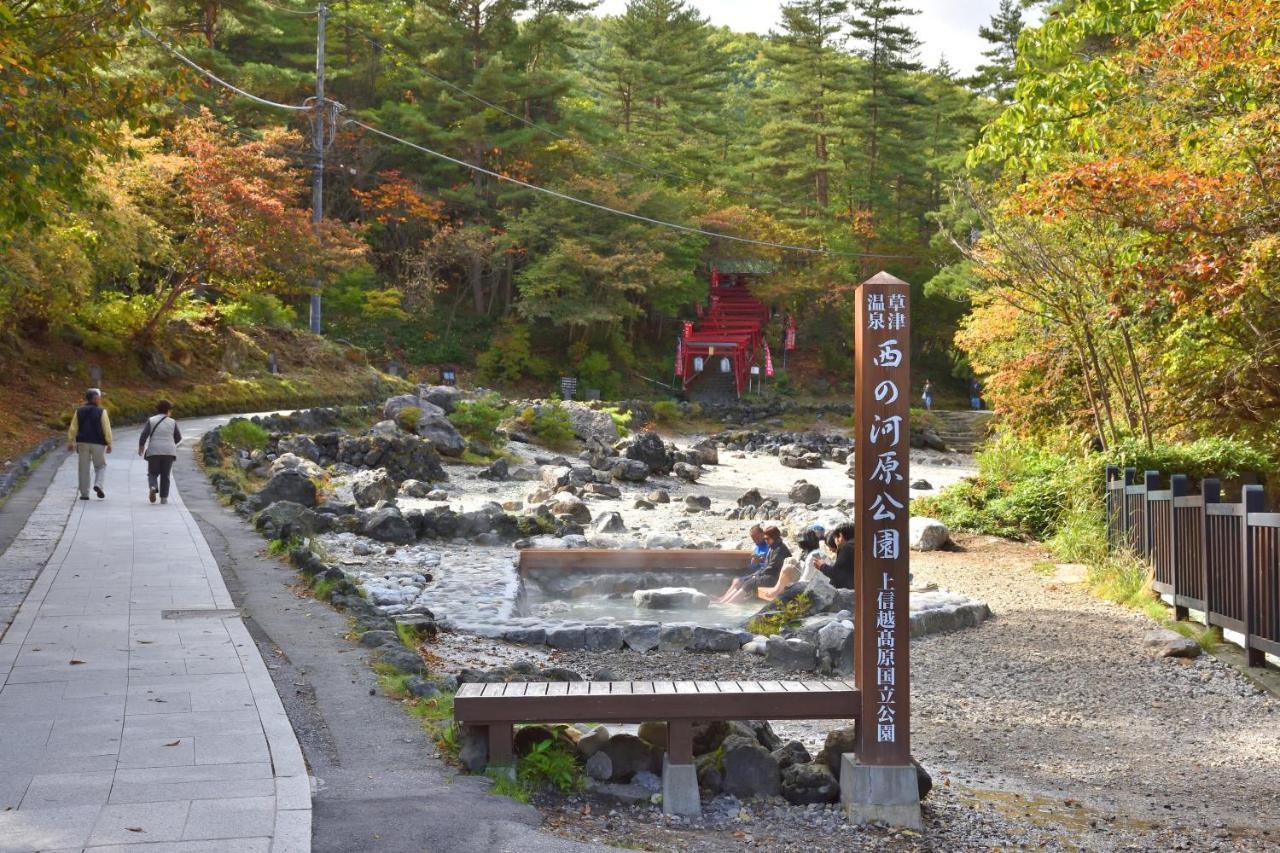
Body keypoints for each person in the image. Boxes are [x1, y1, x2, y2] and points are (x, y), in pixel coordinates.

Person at [717, 526, 790, 605]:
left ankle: (729, 604)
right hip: (768, 574)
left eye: (767, 539)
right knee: (744, 581)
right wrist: (756, 573)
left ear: (773, 537)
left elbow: (772, 568)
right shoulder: (774, 547)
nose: (766, 541)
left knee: (748, 583)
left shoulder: (779, 549)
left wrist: (757, 574)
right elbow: (768, 565)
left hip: (774, 578)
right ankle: (724, 602)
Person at [67, 388, 112, 500]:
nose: (100, 400)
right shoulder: (102, 411)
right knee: (100, 466)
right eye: (99, 398)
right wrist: (109, 442)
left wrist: (70, 441)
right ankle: (98, 484)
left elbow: (73, 427)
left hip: (82, 442)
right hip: (98, 443)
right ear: (95, 399)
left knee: (83, 468)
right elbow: (106, 428)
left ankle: (84, 494)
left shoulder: (79, 411)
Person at [138, 400, 182, 505]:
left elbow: (144, 435)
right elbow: (178, 437)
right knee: (165, 475)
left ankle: (153, 486)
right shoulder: (173, 422)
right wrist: (170, 443)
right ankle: (164, 498)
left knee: (152, 473)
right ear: (168, 410)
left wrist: (141, 447)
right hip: (169, 452)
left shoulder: (151, 420)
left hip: (154, 451)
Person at [819, 523, 856, 590]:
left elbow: (838, 574)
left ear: (840, 535)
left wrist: (822, 566)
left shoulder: (847, 548)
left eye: (835, 537)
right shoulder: (857, 545)